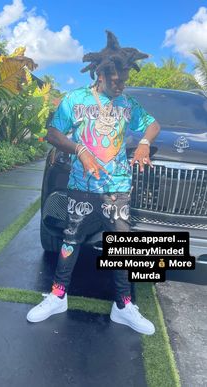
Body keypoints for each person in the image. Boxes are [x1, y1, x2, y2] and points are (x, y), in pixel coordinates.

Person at [27, 31, 160, 335]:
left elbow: (153, 124)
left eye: (124, 78)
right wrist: (80, 149)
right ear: (101, 73)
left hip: (117, 191)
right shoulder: (76, 100)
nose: (121, 84)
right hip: (81, 187)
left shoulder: (128, 105)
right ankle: (58, 296)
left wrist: (142, 143)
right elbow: (53, 133)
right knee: (70, 241)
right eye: (116, 79)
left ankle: (124, 306)